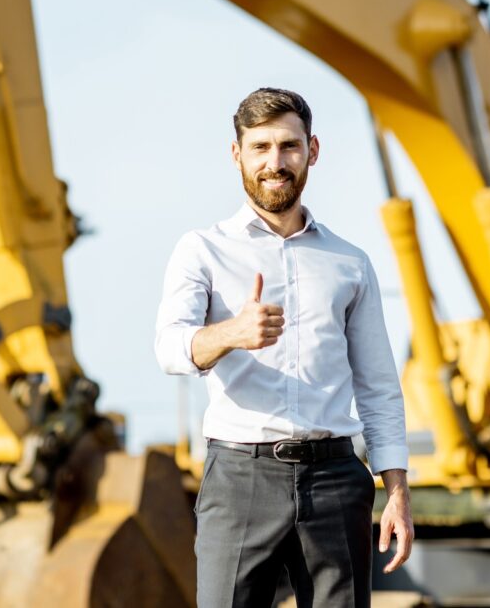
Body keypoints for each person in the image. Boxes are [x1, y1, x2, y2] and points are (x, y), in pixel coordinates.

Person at [154, 87, 413, 608]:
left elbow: (379, 386)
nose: (275, 162)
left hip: (335, 481)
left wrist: (397, 493)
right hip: (239, 480)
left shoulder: (350, 263)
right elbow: (169, 349)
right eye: (260, 147)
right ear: (237, 155)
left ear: (312, 150)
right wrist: (233, 332)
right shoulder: (202, 250)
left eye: (289, 146)